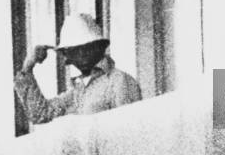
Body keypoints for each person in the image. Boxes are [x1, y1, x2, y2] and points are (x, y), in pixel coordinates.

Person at [14, 13, 142, 124]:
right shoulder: (79, 90)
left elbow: (129, 133)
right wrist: (27, 67)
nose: (67, 59)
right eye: (67, 52)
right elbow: (41, 114)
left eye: (72, 51)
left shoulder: (120, 82)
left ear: (97, 47)